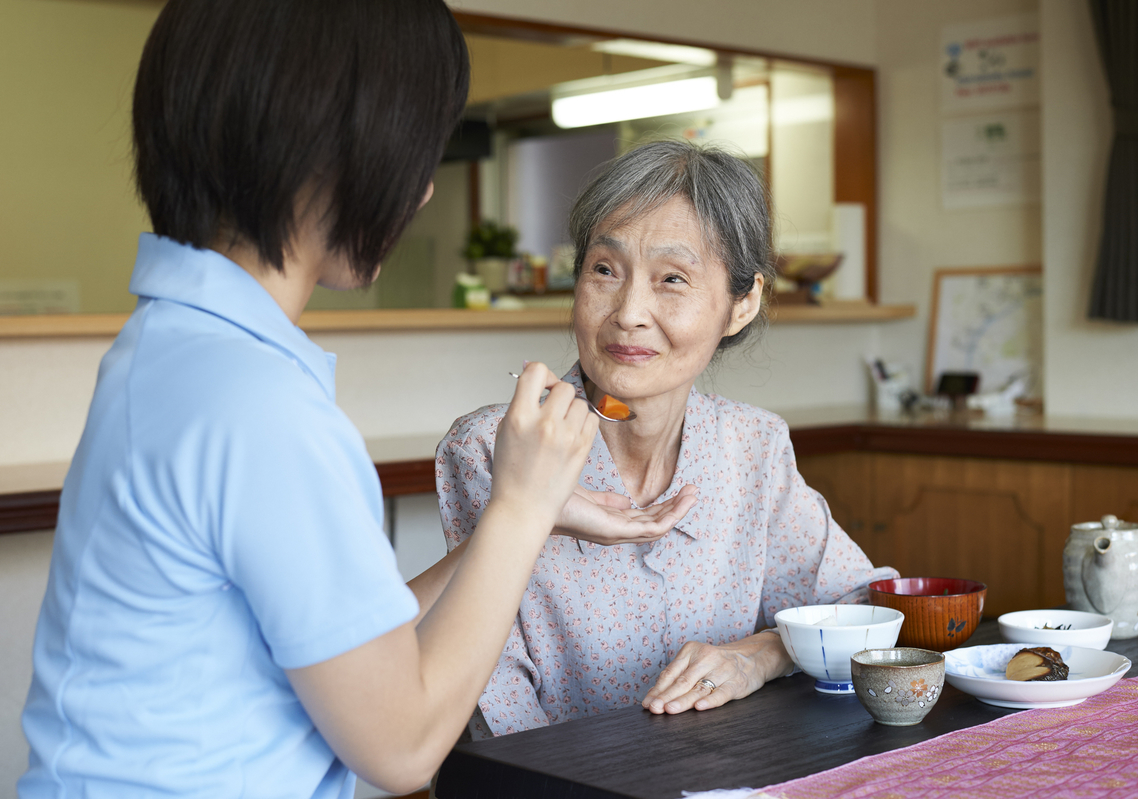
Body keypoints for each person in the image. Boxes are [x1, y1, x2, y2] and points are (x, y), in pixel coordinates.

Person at [17, 2, 676, 796]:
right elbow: (400, 746)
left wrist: (522, 518)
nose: (425, 189)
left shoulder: (174, 347)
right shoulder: (256, 405)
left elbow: (355, 650)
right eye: (416, 148)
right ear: (332, 147)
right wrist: (523, 507)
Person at [436, 140, 900, 739]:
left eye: (672, 279)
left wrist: (759, 655)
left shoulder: (752, 446)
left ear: (743, 303)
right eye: (605, 270)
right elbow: (494, 701)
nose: (629, 311)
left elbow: (864, 610)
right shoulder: (494, 448)